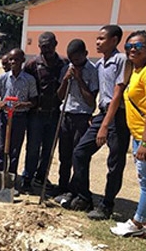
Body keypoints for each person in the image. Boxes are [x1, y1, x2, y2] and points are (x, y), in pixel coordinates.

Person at [69, 25, 130, 220]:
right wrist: (98, 117)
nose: (97, 42)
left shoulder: (120, 60)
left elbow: (117, 94)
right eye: (97, 38)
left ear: (114, 40)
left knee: (115, 162)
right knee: (79, 152)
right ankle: (84, 196)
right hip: (102, 114)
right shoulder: (100, 64)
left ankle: (107, 205)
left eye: (102, 39)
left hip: (118, 116)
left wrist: (105, 124)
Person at [110, 30, 146, 236]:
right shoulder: (136, 70)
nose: (132, 50)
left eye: (138, 46)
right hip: (138, 135)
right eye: (129, 46)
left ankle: (137, 223)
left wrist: (145, 143)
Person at [54, 39, 99, 206]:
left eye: (78, 59)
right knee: (64, 155)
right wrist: (66, 80)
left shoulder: (92, 71)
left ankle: (76, 190)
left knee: (77, 155)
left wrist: (79, 80)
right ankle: (62, 187)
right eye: (72, 59)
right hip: (65, 115)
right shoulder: (67, 68)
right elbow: (60, 96)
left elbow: (91, 102)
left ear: (85, 55)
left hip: (81, 117)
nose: (75, 63)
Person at [22, 32, 67, 192]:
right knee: (33, 148)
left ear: (56, 43)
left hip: (55, 114)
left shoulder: (63, 63)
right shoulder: (32, 64)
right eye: (42, 46)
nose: (46, 49)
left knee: (48, 149)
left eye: (49, 45)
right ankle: (27, 177)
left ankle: (41, 177)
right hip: (36, 114)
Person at [0, 49, 38, 181]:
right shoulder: (3, 78)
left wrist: (23, 105)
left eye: (16, 59)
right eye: (11, 59)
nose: (13, 62)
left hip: (19, 118)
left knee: (15, 150)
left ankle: (11, 179)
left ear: (22, 61)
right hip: (4, 117)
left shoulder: (29, 80)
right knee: (1, 148)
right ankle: (0, 179)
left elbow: (34, 100)